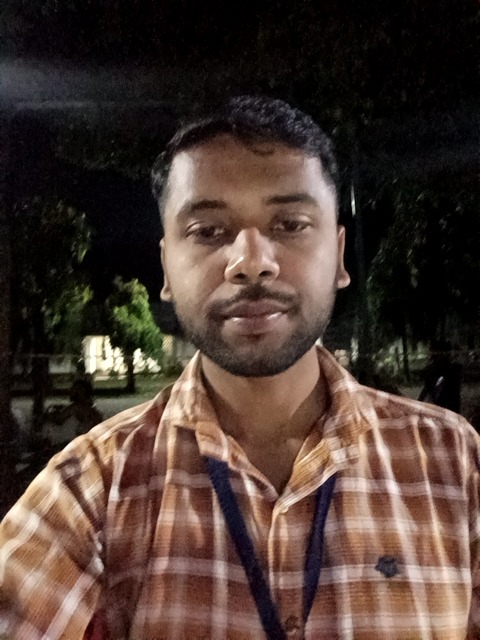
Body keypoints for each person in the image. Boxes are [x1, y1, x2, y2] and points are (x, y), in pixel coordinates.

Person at [0, 96, 478, 640]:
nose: (251, 262)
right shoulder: (93, 486)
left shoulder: (454, 464)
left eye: (290, 224)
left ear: (340, 256)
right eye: (208, 231)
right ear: (166, 268)